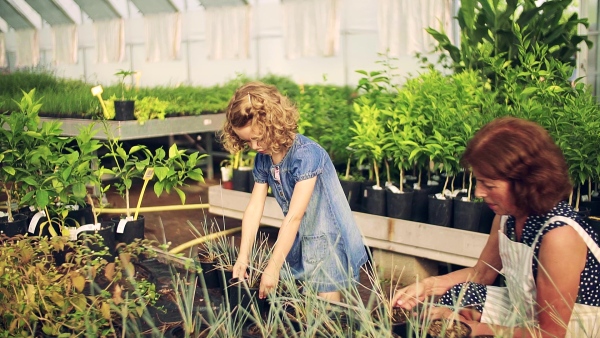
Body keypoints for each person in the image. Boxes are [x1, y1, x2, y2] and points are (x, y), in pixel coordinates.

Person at [392, 117, 600, 337]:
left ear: (525, 184)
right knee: (462, 294)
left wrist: (471, 328)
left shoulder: (559, 235)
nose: (479, 193)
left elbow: (550, 333)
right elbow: (481, 273)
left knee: (457, 323)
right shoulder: (507, 216)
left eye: (489, 185)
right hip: (527, 309)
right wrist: (427, 287)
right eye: (479, 182)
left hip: (574, 326)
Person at [219, 81, 368, 302]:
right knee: (304, 307)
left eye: (258, 138)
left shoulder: (307, 155)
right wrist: (243, 256)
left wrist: (273, 266)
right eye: (247, 141)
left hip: (327, 239)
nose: (253, 146)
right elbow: (254, 207)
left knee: (326, 310)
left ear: (273, 124)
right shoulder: (264, 158)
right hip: (299, 236)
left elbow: (295, 215)